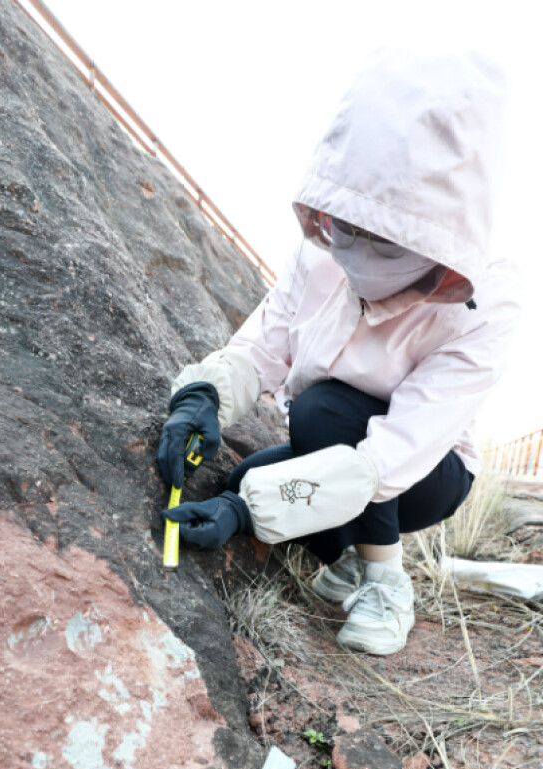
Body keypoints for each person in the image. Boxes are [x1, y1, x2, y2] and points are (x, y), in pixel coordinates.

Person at [157, 49, 520, 656]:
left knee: (323, 413)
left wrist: (254, 516)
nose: (351, 251)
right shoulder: (322, 247)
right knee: (249, 478)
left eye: (384, 241)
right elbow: (265, 343)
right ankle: (350, 559)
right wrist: (202, 397)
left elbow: (391, 455)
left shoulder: (489, 304)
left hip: (424, 472)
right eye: (345, 227)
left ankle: (386, 581)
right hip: (334, 442)